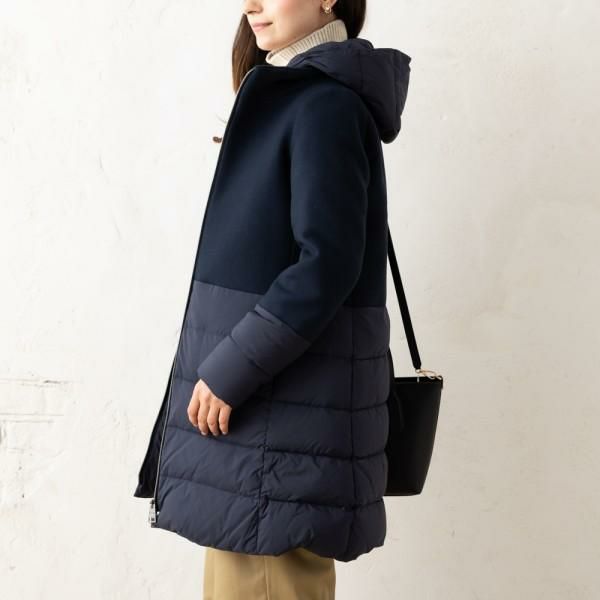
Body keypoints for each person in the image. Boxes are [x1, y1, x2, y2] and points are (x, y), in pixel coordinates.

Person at [133, 0, 412, 597]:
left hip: (276, 431)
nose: (250, 5)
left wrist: (230, 369)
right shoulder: (291, 96)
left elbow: (326, 265)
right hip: (264, 430)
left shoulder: (324, 104)